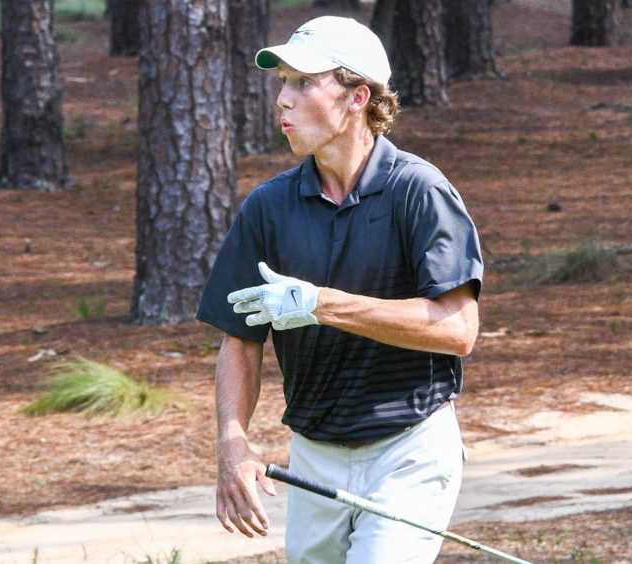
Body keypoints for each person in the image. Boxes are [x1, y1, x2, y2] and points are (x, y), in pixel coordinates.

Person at [200, 16, 486, 563]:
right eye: (283, 83)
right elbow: (240, 340)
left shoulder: (419, 191)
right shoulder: (268, 207)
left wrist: (320, 304)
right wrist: (231, 443)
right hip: (313, 454)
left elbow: (457, 329)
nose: (282, 100)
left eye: (303, 83)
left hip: (409, 449)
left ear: (359, 97)